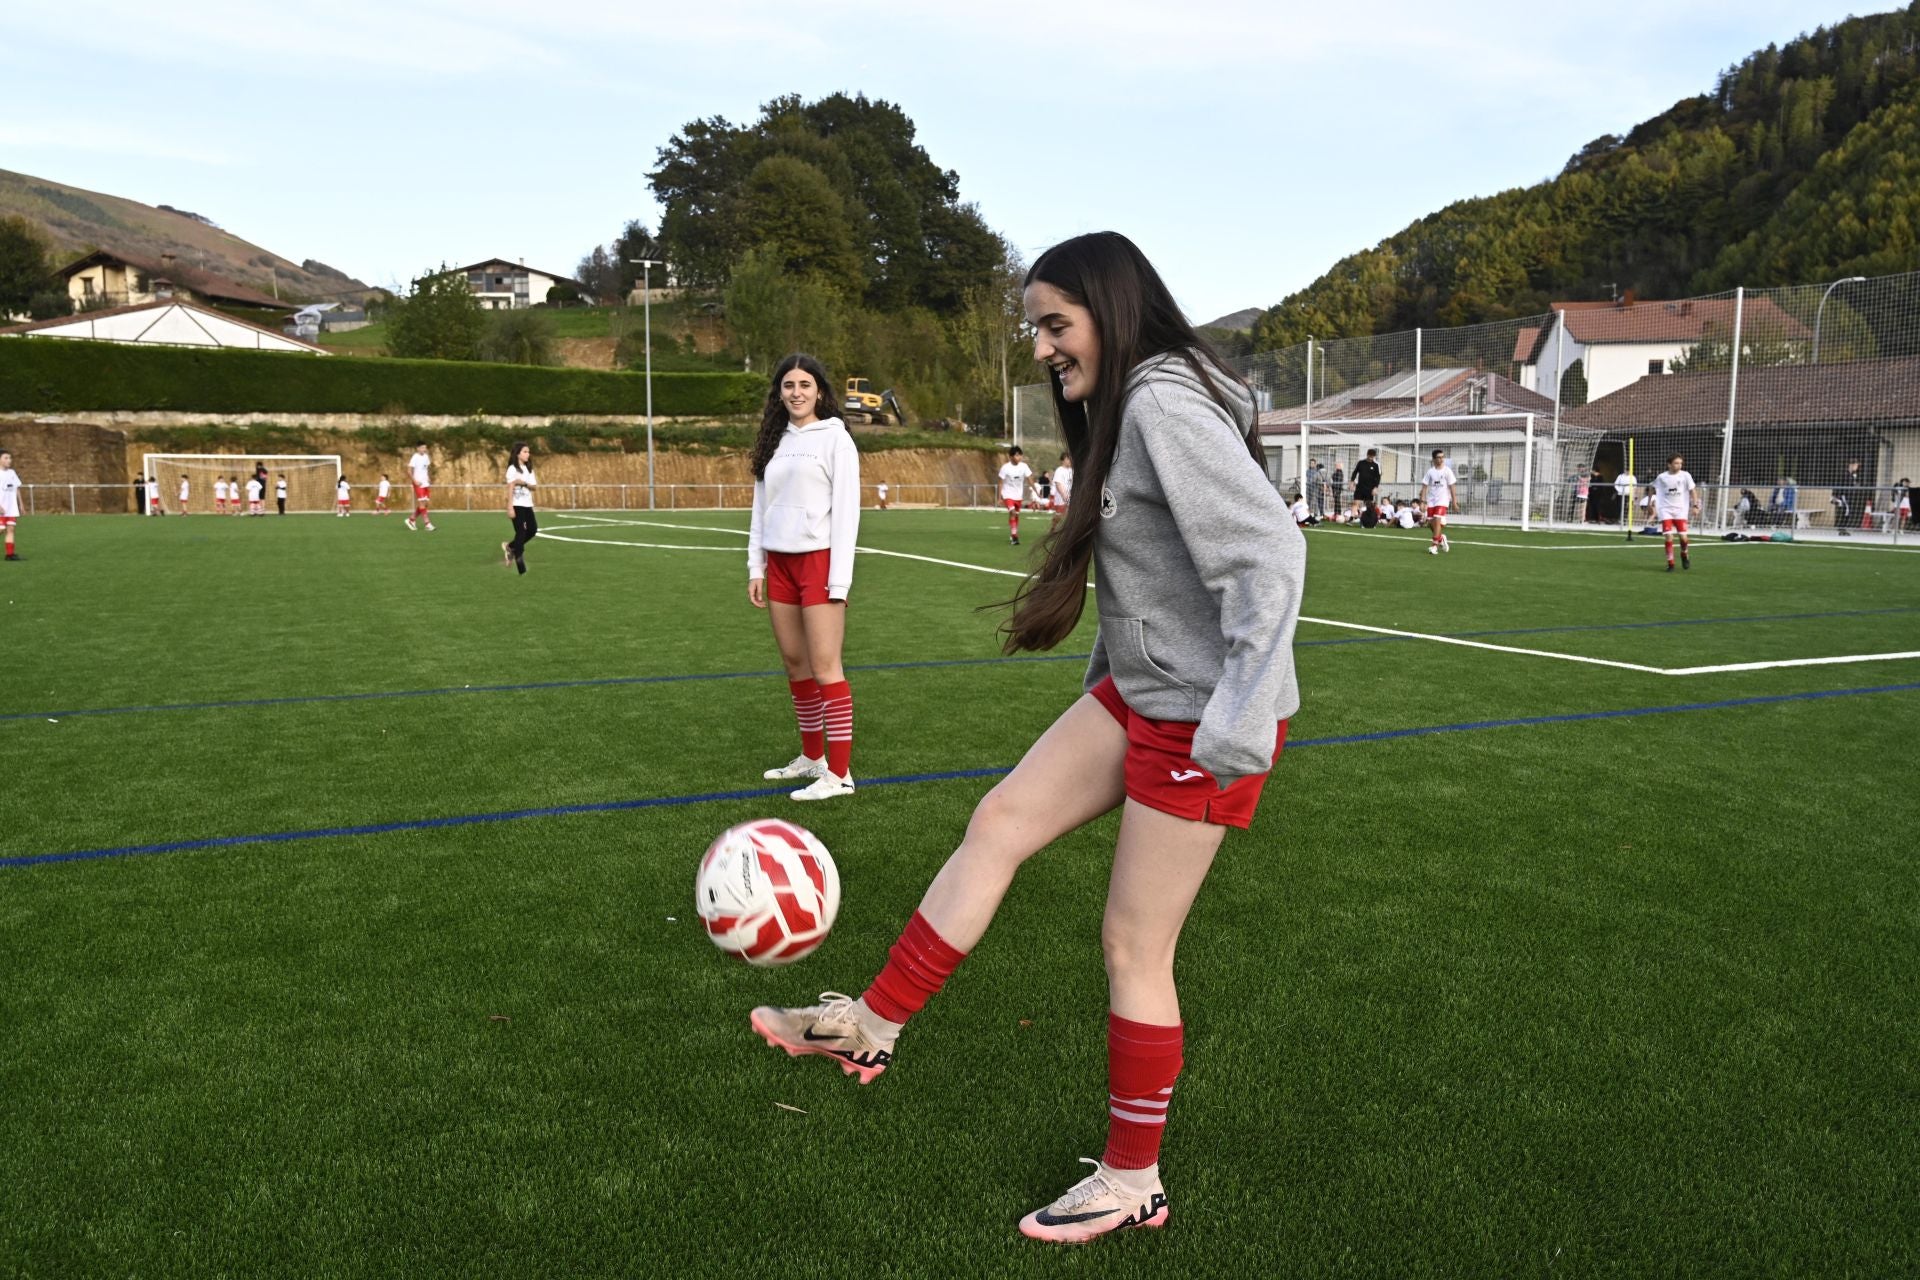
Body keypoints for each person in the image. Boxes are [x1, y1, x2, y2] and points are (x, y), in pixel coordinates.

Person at [748, 231, 1305, 1244]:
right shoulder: (1131, 403)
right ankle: (872, 1027)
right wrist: (1114, 677)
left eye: (1057, 324)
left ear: (1114, 309)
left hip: (1201, 716)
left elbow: (1270, 551)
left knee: (1135, 944)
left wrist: (1237, 718)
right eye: (1036, 327)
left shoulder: (1166, 400)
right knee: (1000, 818)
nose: (1044, 346)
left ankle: (1134, 1174)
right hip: (1146, 693)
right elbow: (1154, 582)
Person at [747, 353, 861, 802]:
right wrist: (756, 566)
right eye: (788, 385)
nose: (796, 392)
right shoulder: (772, 440)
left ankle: (840, 773)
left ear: (820, 391)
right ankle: (812, 758)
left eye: (805, 385)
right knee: (796, 664)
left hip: (819, 563)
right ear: (779, 392)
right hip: (779, 563)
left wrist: (840, 581)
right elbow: (760, 510)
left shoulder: (836, 439)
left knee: (825, 666)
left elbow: (847, 515)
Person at [1652, 453, 1701, 571]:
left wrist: (1695, 505)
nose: (1679, 465)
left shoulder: (1685, 476)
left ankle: (1684, 553)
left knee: (1683, 538)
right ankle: (1671, 563)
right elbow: (1653, 488)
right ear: (1669, 464)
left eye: (1680, 463)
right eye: (1676, 463)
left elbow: (1693, 491)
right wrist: (1650, 503)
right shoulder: (1662, 477)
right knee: (1669, 537)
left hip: (1680, 510)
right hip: (1665, 510)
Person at [503, 442, 538, 574]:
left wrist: (522, 483)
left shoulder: (529, 469)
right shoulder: (512, 469)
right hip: (516, 504)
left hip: (527, 504)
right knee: (521, 531)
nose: (528, 454)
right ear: (517, 454)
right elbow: (511, 487)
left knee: (533, 530)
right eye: (525, 452)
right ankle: (520, 564)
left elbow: (534, 487)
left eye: (528, 452)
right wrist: (510, 506)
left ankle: (510, 546)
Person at [1421, 448, 1456, 555]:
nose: (1441, 459)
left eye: (1442, 457)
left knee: (1437, 520)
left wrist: (1454, 501)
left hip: (1443, 500)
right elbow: (1424, 486)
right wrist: (1422, 501)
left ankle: (1434, 546)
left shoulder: (1447, 471)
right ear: (1433, 459)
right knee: (1430, 524)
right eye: (1438, 457)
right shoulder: (1430, 471)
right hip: (1431, 500)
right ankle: (1441, 538)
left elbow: (1452, 486)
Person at [999, 445, 1033, 544]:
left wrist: (1035, 491)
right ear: (1011, 457)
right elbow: (1000, 482)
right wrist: (999, 497)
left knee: (1015, 515)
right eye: (1017, 455)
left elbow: (1030, 479)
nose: (1019, 457)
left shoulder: (1024, 466)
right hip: (1007, 494)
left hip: (1018, 496)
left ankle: (1013, 533)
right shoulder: (1005, 467)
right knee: (1013, 513)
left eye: (1020, 455)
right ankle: (1015, 537)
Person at [405, 443, 435, 531]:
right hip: (418, 483)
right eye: (422, 447)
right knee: (422, 504)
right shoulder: (415, 457)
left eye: (425, 447)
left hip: (425, 483)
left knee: (425, 504)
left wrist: (428, 478)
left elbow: (426, 468)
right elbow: (409, 471)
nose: (424, 449)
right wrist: (415, 481)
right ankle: (427, 524)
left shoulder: (426, 457)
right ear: (417, 448)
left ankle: (411, 519)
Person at [1349, 448, 1380, 521]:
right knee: (1355, 503)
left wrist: (1375, 488)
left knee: (1369, 505)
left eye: (1372, 457)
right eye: (1370, 456)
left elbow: (1378, 477)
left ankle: (1370, 519)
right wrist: (1351, 482)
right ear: (1367, 455)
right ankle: (1351, 518)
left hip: (1370, 488)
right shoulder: (1361, 463)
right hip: (1360, 487)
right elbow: (1355, 472)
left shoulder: (1375, 465)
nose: (1371, 458)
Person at [0, 449, 20, 561]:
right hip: (1, 508)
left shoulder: (12, 472)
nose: (9, 460)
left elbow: (16, 488)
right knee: (1, 529)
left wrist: (20, 504)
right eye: (6, 458)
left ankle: (10, 555)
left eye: (10, 458)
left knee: (10, 529)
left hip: (11, 508)